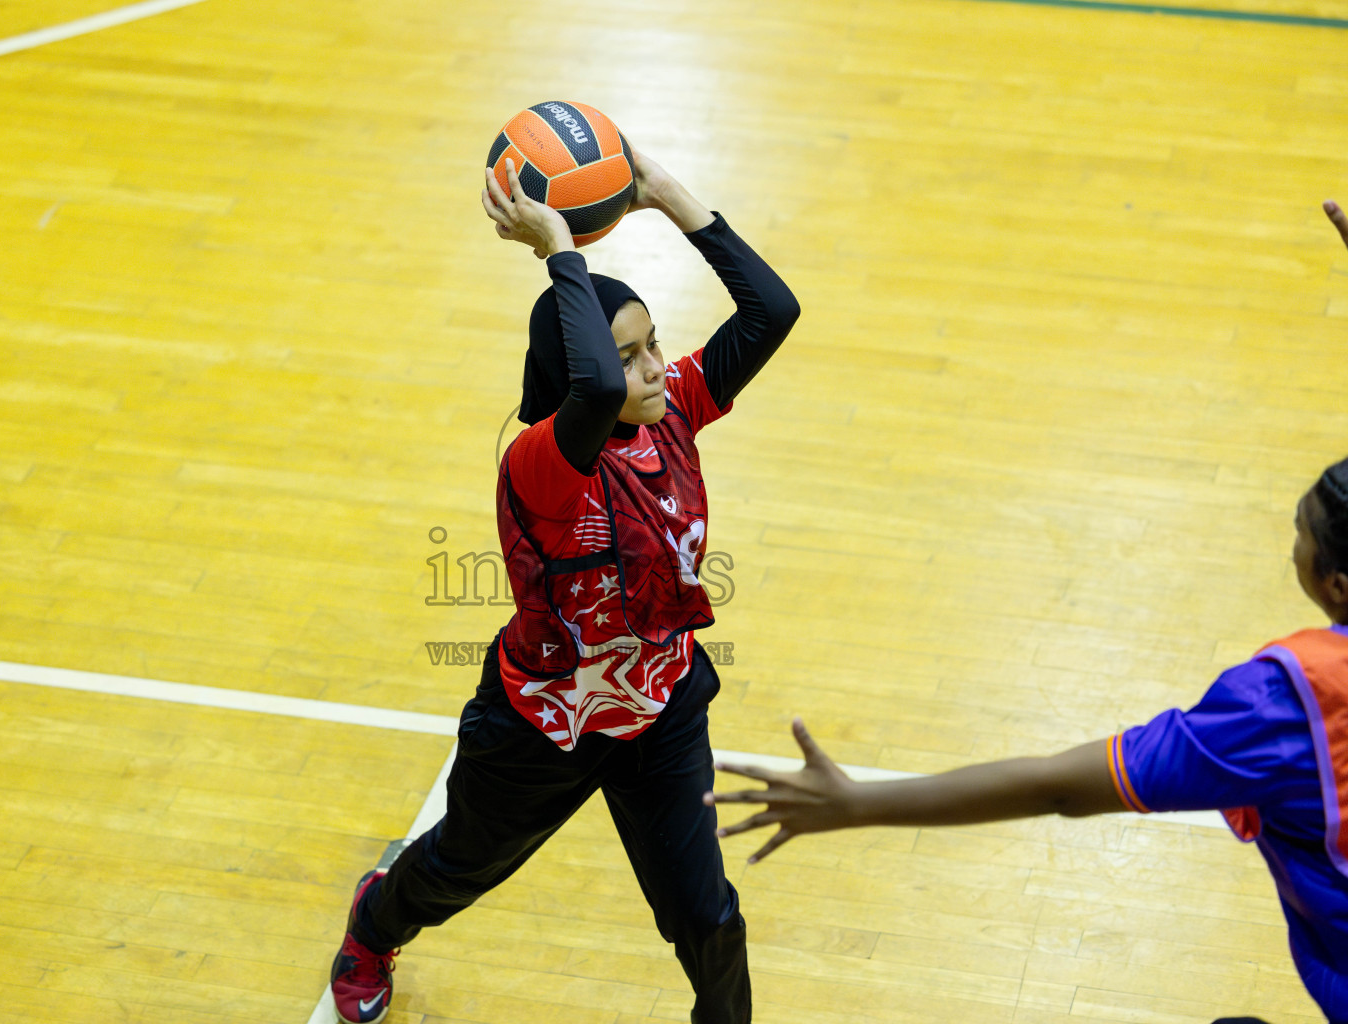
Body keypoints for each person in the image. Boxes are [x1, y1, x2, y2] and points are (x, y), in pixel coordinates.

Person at [706, 206, 1348, 1023]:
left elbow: (1058, 787)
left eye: (1301, 531)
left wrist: (860, 803)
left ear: (1334, 586)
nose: (1289, 536)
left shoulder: (1289, 707)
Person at [327, 138, 800, 1024]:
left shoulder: (673, 411)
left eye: (655, 345)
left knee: (709, 917)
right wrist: (559, 253)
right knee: (458, 868)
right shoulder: (541, 461)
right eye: (630, 356)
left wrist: (665, 194)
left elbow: (771, 310)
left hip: (659, 713)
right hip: (544, 722)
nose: (656, 367)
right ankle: (373, 922)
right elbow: (587, 392)